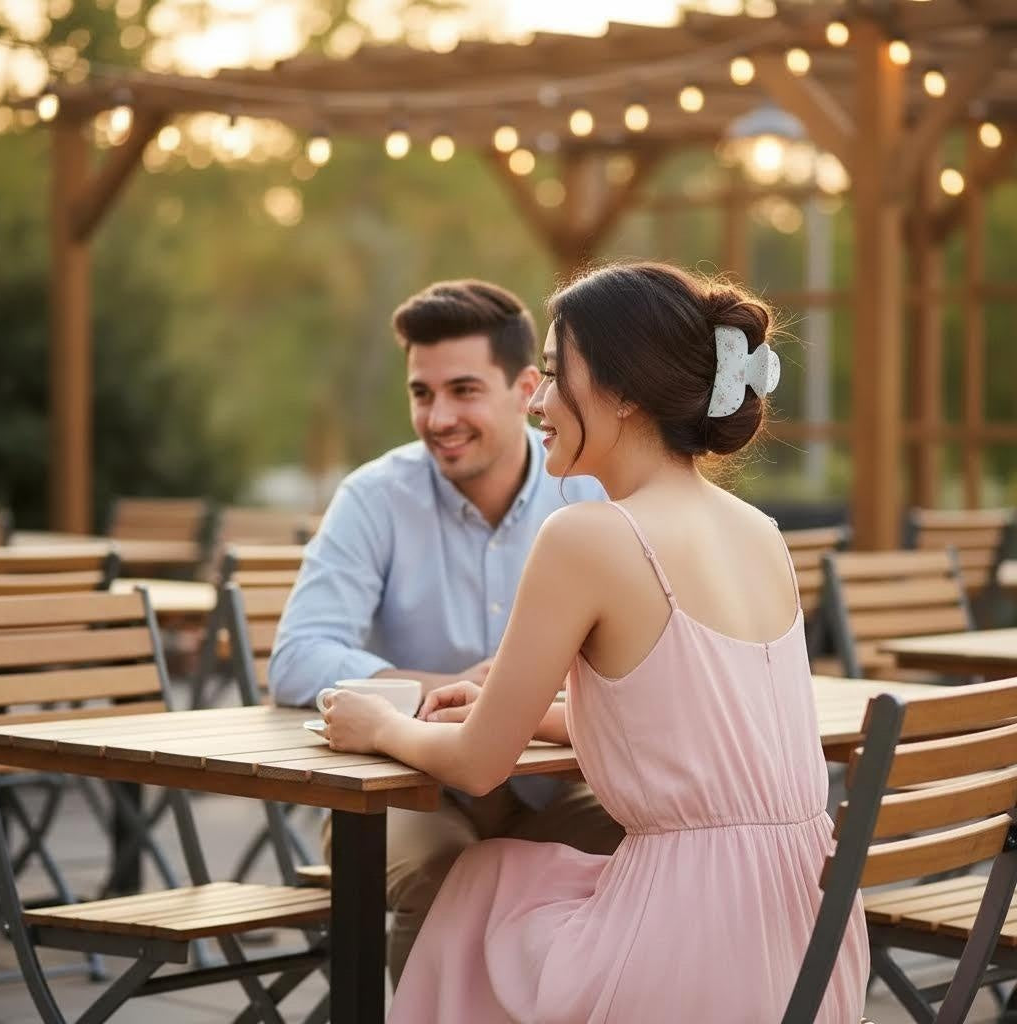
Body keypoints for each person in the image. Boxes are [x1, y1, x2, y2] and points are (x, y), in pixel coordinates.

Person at [322, 262, 870, 1022]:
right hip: (808, 941)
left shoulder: (586, 536)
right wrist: (533, 714)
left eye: (554, 376)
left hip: (684, 948)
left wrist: (381, 725)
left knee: (478, 888)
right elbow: (695, 729)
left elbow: (478, 765)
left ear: (624, 392)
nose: (537, 401)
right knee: (499, 879)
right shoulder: (761, 533)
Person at [268, 279, 623, 985]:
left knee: (648, 847)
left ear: (526, 390)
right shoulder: (375, 496)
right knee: (444, 875)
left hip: (553, 784)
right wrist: (452, 687)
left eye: (463, 391)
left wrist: (513, 703)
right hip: (405, 787)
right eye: (421, 393)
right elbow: (298, 657)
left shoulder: (590, 491)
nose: (438, 418)